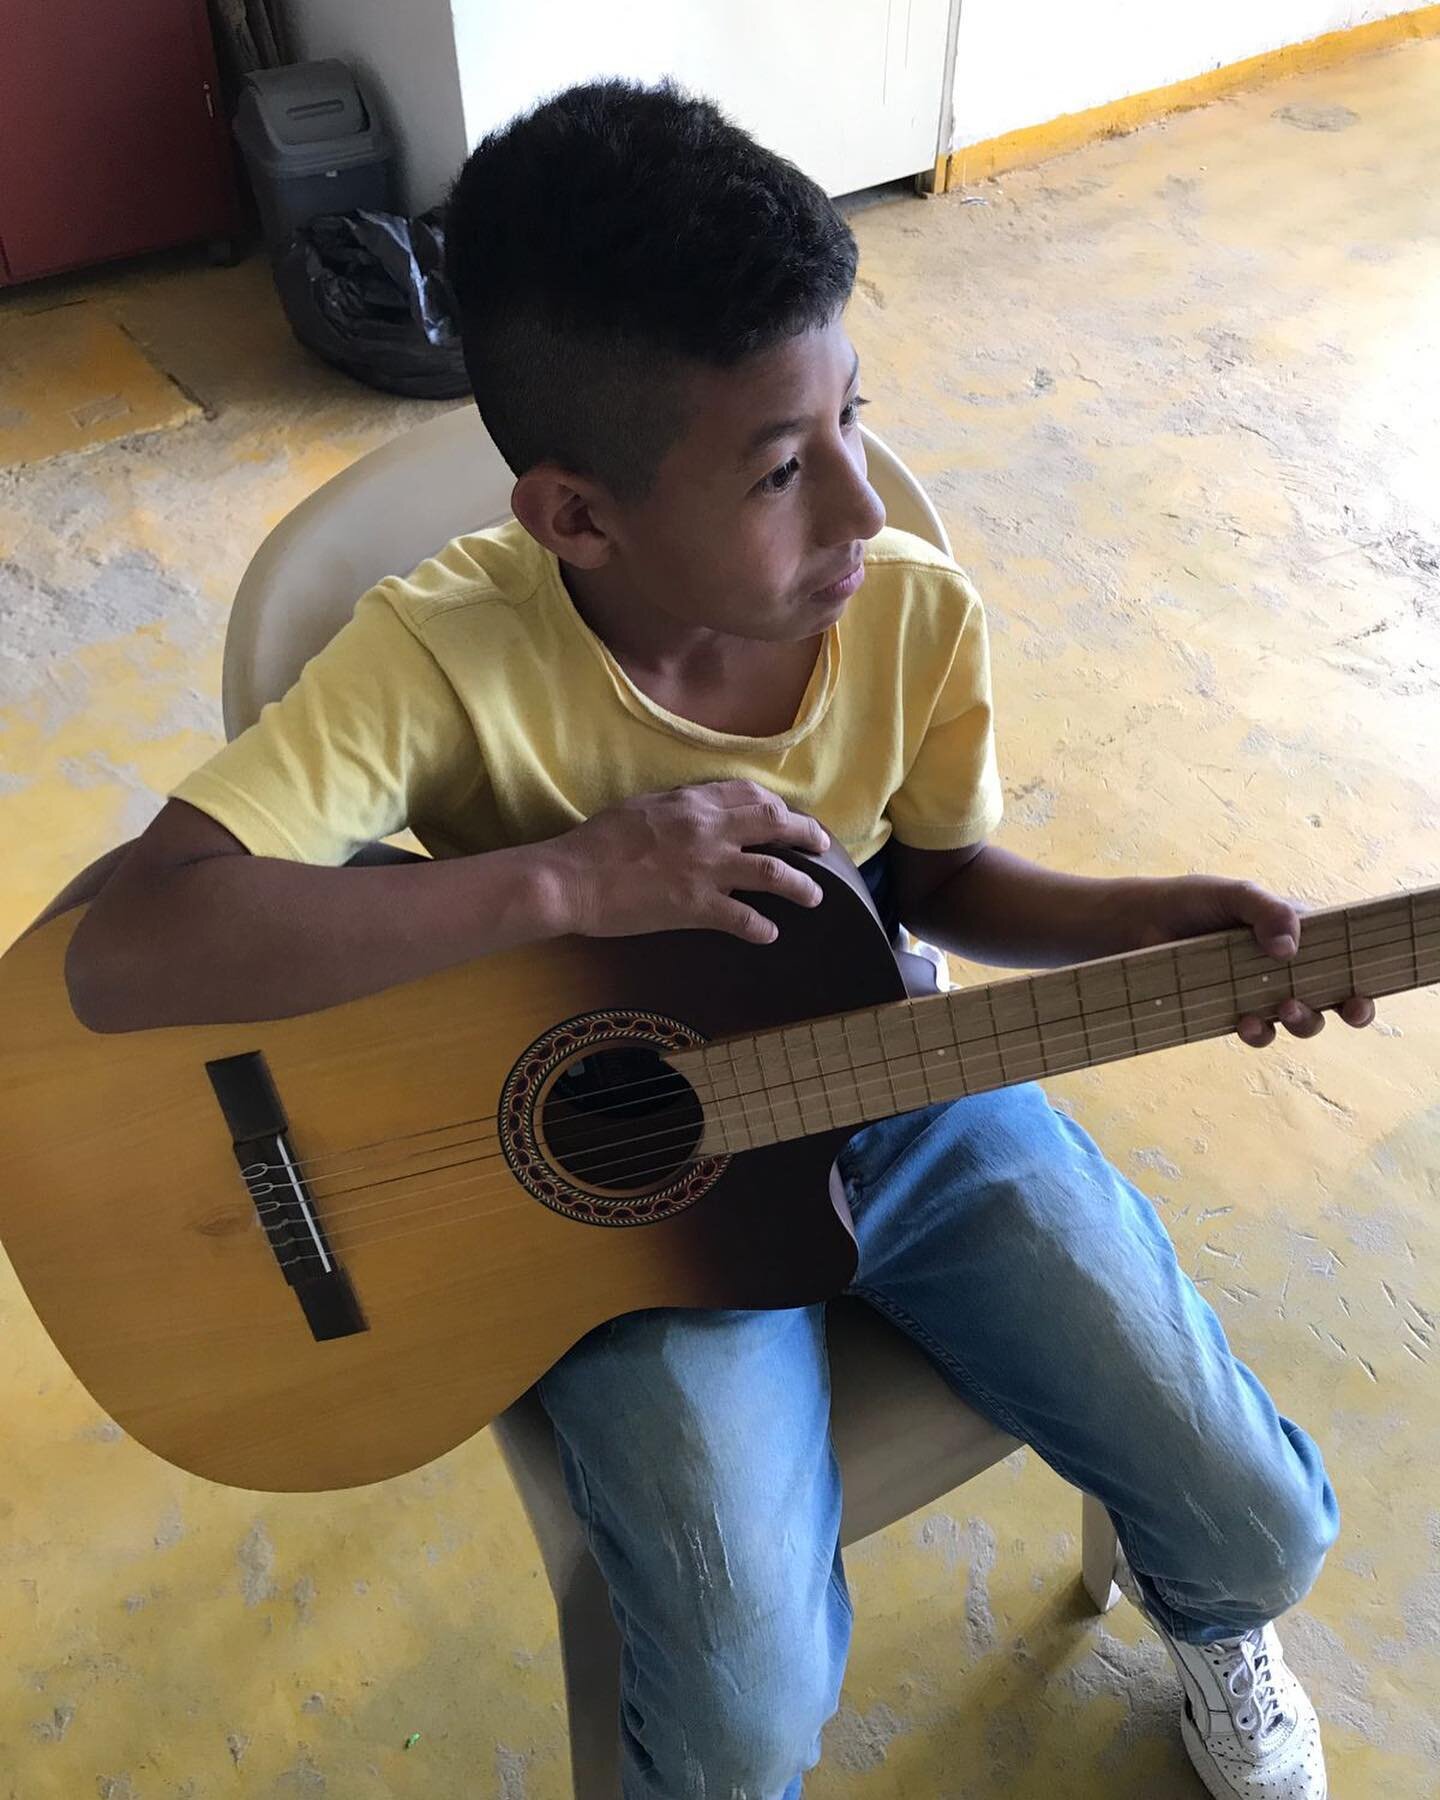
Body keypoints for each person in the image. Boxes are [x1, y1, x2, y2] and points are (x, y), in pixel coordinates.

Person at [60, 80, 1372, 1800]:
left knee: (1257, 1517)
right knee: (742, 1714)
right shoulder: (439, 656)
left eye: (853, 415)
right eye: (777, 467)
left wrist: (1150, 920)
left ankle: (1214, 1629)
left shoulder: (905, 608)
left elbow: (942, 880)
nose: (855, 507)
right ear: (573, 517)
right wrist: (564, 883)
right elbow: (125, 956)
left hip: (898, 1088)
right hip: (606, 1195)